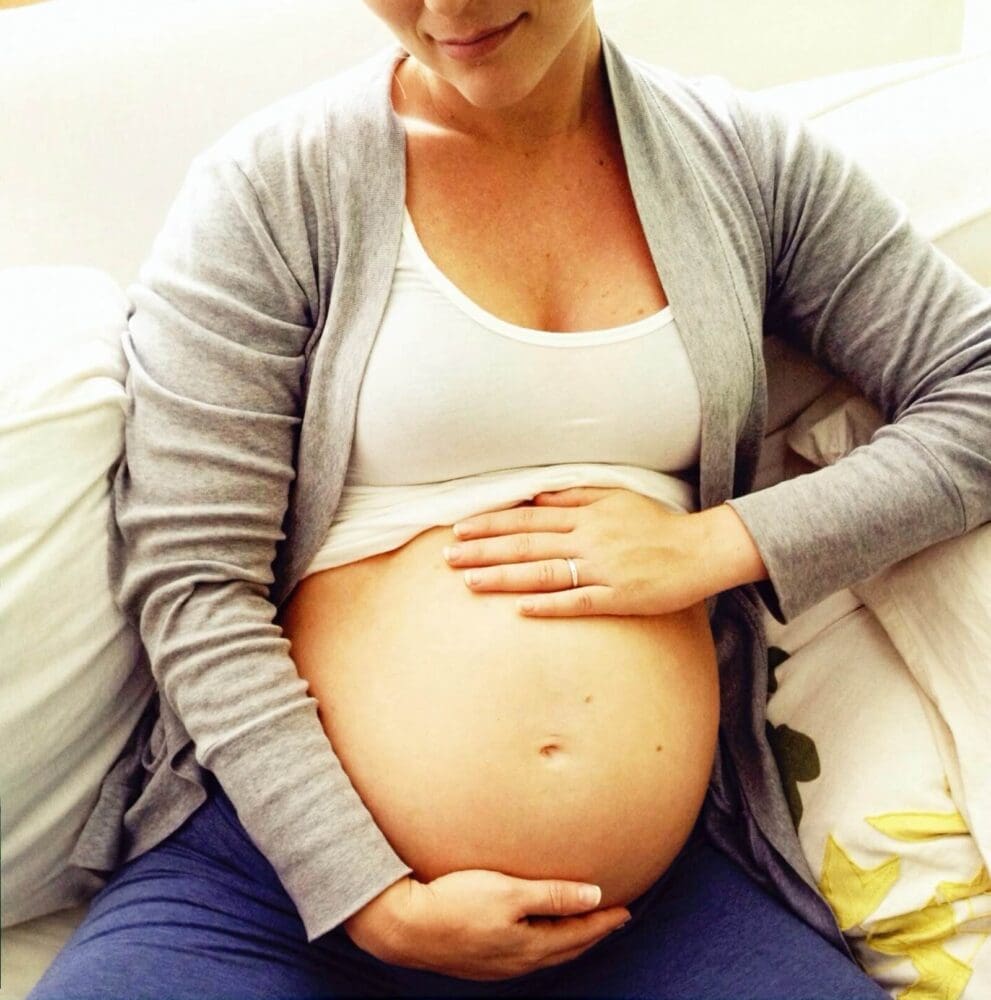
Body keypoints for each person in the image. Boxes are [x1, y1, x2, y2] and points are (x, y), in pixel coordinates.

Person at [29, 1, 990, 997]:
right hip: (277, 887)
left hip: (646, 913)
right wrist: (369, 893)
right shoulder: (270, 189)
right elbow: (191, 580)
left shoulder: (745, 164)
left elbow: (978, 379)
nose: (446, 10)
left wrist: (726, 541)